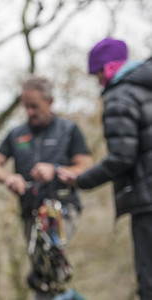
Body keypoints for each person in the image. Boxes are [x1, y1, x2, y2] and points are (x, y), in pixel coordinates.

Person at [0, 76, 92, 300]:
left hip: (61, 208)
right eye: (26, 106)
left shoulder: (69, 131)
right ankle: (63, 295)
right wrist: (9, 178)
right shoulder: (16, 134)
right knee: (41, 265)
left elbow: (86, 168)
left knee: (48, 253)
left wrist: (56, 169)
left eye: (35, 106)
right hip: (29, 211)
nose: (30, 112)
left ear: (50, 102)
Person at [58, 37, 152, 300]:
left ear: (108, 68)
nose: (98, 81)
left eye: (97, 73)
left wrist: (81, 179)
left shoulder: (120, 96)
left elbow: (122, 157)